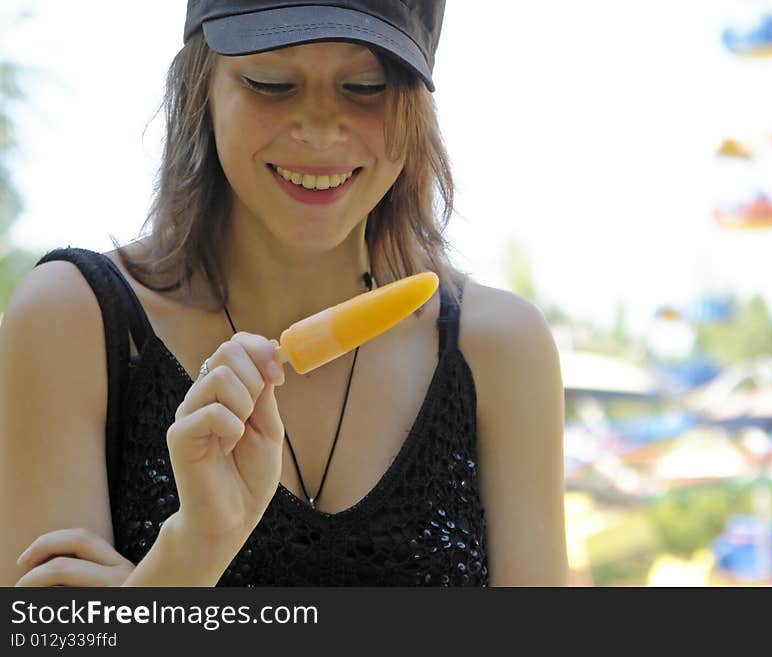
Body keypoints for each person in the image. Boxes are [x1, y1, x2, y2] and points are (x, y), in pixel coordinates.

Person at [0, 0, 567, 586]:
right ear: (202, 88)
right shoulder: (74, 321)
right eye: (271, 83)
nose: (320, 128)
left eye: (365, 86)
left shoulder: (500, 349)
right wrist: (192, 551)